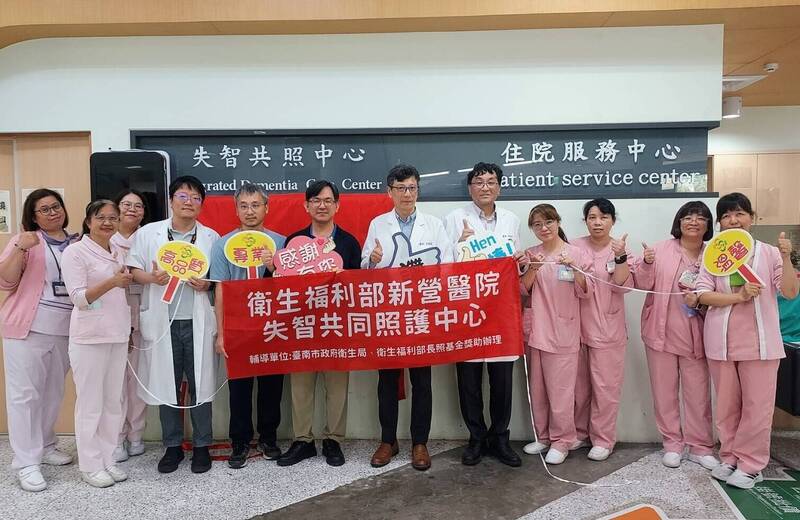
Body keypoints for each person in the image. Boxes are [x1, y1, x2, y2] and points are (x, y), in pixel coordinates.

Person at [696, 192, 799, 489]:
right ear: (720, 222)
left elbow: (790, 291)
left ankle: (752, 464)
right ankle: (730, 457)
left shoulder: (769, 253)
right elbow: (703, 293)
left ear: (751, 218)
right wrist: (738, 297)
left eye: (739, 213)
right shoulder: (712, 255)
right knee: (727, 406)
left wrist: (786, 257)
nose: (733, 220)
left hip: (761, 345)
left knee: (757, 407)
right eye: (726, 215)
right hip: (721, 342)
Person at [361, 164, 453, 471]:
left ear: (418, 190)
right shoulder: (378, 224)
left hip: (422, 312)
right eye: (400, 188)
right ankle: (388, 440)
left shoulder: (434, 224)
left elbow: (447, 264)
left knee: (422, 380)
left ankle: (419, 443)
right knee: (387, 379)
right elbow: (364, 267)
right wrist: (371, 260)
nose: (407, 194)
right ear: (389, 192)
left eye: (412, 188)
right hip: (388, 312)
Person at [127, 175, 220, 474]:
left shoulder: (211, 237)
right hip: (162, 320)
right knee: (166, 384)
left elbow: (219, 280)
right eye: (182, 196)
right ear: (170, 200)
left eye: (195, 198)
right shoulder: (148, 233)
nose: (189, 202)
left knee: (200, 384)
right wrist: (152, 278)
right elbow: (133, 270)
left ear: (201, 204)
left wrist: (207, 284)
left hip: (197, 320)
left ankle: (202, 445)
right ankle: (172, 446)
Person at [442, 162, 523, 467]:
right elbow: (445, 265)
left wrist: (520, 261)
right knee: (469, 379)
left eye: (491, 182)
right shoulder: (454, 218)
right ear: (470, 187)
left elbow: (514, 265)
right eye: (479, 182)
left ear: (499, 187)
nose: (485, 187)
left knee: (502, 380)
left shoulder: (511, 220)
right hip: (468, 310)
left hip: (501, 311)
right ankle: (476, 438)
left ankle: (500, 438)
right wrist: (462, 246)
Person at [277, 180, 362, 467]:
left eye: (327, 200)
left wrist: (343, 277)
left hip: (336, 325)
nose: (321, 205)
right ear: (306, 205)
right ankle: (303, 441)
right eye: (316, 200)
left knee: (336, 386)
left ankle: (333, 440)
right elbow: (283, 287)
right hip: (302, 325)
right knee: (300, 386)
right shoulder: (293, 242)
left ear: (337, 205)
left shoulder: (349, 242)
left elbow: (358, 289)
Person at [632, 201, 718, 470]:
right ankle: (672, 444)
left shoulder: (714, 254)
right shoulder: (658, 250)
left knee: (698, 395)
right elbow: (641, 283)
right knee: (664, 393)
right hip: (660, 334)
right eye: (688, 217)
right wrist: (647, 263)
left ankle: (701, 446)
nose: (693, 222)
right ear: (678, 222)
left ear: (708, 225)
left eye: (701, 218)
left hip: (698, 335)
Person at [0, 189, 76, 491]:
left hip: (65, 329)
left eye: (56, 206)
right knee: (25, 395)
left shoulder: (76, 242)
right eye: (44, 209)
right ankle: (26, 462)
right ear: (33, 216)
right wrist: (20, 247)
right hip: (27, 329)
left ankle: (45, 445)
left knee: (53, 393)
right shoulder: (26, 241)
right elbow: (5, 281)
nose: (52, 212)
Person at [210, 183, 285, 469]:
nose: (250, 211)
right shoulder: (223, 244)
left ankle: (268, 438)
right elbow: (219, 288)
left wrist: (273, 268)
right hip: (237, 325)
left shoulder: (280, 242)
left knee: (271, 386)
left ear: (266, 208)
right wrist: (221, 333)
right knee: (239, 387)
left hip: (273, 325)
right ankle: (240, 442)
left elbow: (290, 286)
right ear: (236, 209)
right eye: (244, 205)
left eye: (256, 205)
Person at [62, 200, 133, 488]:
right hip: (89, 337)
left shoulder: (116, 250)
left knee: (113, 402)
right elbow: (79, 298)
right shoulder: (75, 252)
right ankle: (90, 465)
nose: (107, 222)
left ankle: (108, 458)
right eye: (100, 217)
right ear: (88, 221)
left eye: (113, 218)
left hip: (117, 333)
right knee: (90, 404)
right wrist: (113, 282)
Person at [520, 204, 592, 465]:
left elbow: (587, 291)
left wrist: (575, 269)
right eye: (537, 224)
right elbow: (522, 290)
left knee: (561, 391)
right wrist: (533, 268)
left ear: (558, 222)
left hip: (563, 331)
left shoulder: (576, 254)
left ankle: (562, 440)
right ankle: (543, 436)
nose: (544, 228)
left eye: (548, 222)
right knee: (537, 388)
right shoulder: (531, 254)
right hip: (536, 330)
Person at [571, 198, 633, 462]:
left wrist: (620, 257)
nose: (597, 222)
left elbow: (622, 285)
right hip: (574, 328)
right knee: (578, 387)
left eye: (604, 217)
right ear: (585, 220)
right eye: (592, 217)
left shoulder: (620, 248)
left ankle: (603, 439)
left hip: (608, 329)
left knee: (605, 387)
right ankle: (579, 433)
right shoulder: (573, 246)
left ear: (613, 221)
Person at [111, 189, 149, 463]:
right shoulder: (104, 239)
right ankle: (115, 438)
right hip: (112, 315)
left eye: (138, 206)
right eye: (126, 204)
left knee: (138, 379)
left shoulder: (148, 238)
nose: (132, 209)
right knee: (114, 381)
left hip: (143, 313)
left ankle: (136, 435)